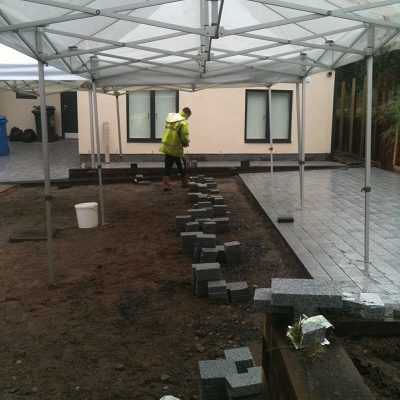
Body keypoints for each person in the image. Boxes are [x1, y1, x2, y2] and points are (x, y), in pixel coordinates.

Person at [159, 107, 191, 191]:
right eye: (188, 117)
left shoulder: (171, 117)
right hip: (176, 148)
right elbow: (184, 136)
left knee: (167, 166)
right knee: (182, 165)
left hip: (167, 147)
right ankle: (185, 183)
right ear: (187, 114)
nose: (188, 118)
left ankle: (166, 185)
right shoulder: (183, 122)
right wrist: (186, 143)